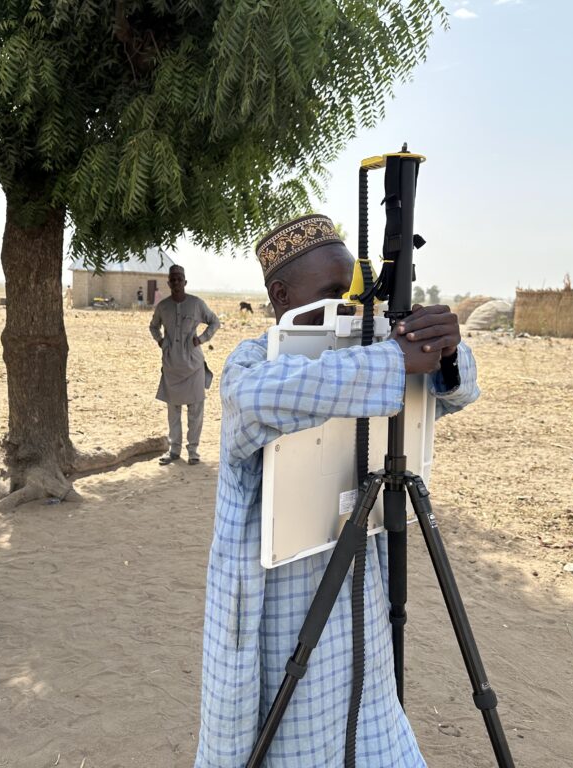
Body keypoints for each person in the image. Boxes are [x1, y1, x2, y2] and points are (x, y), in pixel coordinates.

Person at [194, 214, 480, 767]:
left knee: (370, 722)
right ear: (280, 295)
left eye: (353, 292)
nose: (348, 304)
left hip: (360, 599)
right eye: (331, 292)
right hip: (280, 611)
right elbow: (260, 399)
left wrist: (442, 351)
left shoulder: (363, 349)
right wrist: (392, 361)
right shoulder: (251, 361)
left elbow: (453, 394)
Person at [149, 265, 220, 466]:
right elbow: (153, 326)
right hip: (171, 365)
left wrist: (202, 338)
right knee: (174, 411)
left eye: (180, 279)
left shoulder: (196, 304)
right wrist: (161, 342)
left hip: (194, 365)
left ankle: (193, 451)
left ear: (185, 282)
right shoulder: (163, 306)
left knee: (196, 409)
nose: (177, 282)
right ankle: (174, 450)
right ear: (169, 283)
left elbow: (214, 322)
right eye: (173, 279)